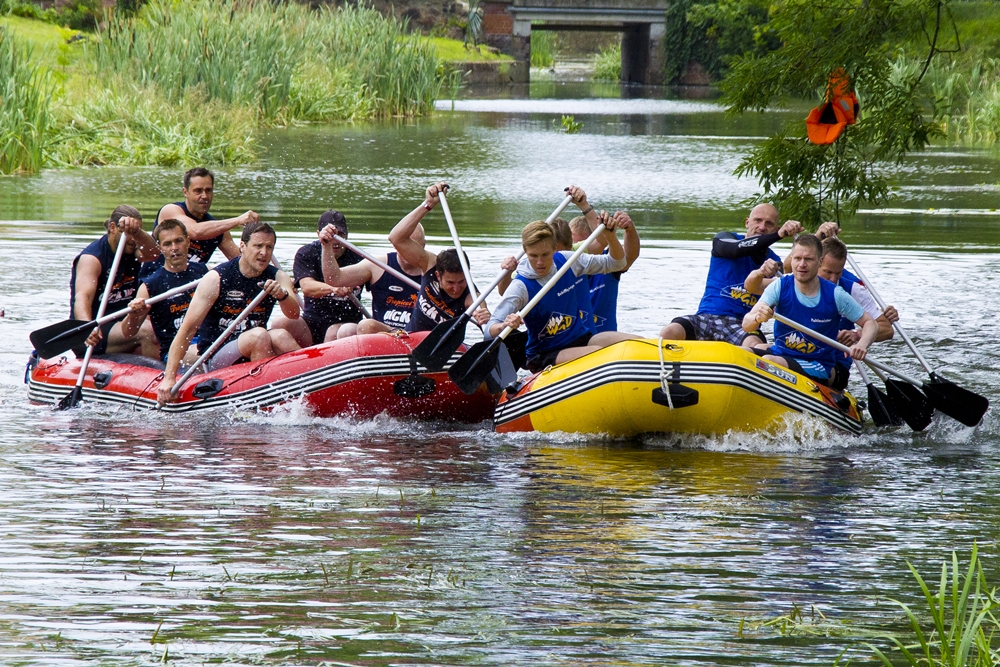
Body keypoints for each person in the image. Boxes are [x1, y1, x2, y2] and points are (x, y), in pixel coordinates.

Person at [157, 222, 300, 404]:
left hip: (255, 346)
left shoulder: (278, 277)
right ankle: (264, 401)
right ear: (242, 246)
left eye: (269, 247)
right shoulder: (216, 278)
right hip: (217, 356)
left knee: (281, 336)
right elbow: (187, 330)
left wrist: (283, 295)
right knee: (259, 336)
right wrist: (169, 378)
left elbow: (294, 313)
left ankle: (312, 383)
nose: (264, 252)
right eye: (258, 246)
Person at [486, 211, 640, 373]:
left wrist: (610, 237)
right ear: (525, 251)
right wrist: (504, 325)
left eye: (545, 255)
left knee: (639, 344)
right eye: (533, 256)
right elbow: (490, 328)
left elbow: (617, 263)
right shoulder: (520, 286)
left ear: (554, 249)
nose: (540, 262)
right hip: (545, 354)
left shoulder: (568, 261)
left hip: (582, 339)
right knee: (603, 356)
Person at [349, 182, 488, 333]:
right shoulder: (430, 264)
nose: (456, 289)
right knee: (367, 326)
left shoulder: (471, 295)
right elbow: (396, 238)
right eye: (450, 282)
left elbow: (488, 325)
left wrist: (486, 318)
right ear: (438, 275)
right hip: (410, 338)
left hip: (442, 348)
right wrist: (428, 204)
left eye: (461, 282)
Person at [660, 203, 803, 348]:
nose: (762, 227)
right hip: (706, 318)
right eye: (758, 220)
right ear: (747, 222)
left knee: (755, 345)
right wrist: (777, 236)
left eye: (769, 223)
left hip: (742, 326)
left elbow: (792, 283)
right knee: (670, 331)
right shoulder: (724, 240)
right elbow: (736, 249)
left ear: (775, 229)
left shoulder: (773, 263)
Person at [741, 234, 877, 386]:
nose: (802, 264)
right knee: (742, 354)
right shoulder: (779, 286)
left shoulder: (836, 294)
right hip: (783, 353)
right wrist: (757, 318)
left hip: (817, 363)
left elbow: (870, 323)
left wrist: (861, 344)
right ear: (791, 260)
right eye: (797, 258)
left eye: (808, 259)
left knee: (768, 362)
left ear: (819, 262)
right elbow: (746, 324)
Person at [69, 205, 159, 357]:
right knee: (147, 332)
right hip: (94, 331)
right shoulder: (92, 258)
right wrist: (88, 327)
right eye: (128, 233)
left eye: (135, 233)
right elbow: (83, 297)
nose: (132, 239)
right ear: (112, 228)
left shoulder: (133, 249)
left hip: (123, 324)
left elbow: (154, 254)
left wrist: (138, 232)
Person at [140, 167, 259, 278]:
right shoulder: (170, 211)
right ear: (185, 192)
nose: (204, 196)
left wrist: (258, 251)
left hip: (189, 288)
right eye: (198, 191)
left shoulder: (219, 230)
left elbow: (243, 262)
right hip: (154, 282)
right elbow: (195, 231)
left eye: (208, 190)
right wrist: (238, 220)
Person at [119, 219, 209, 363]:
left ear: (188, 242)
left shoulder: (206, 272)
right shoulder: (150, 286)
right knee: (205, 351)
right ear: (160, 248)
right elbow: (127, 332)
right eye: (167, 244)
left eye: (178, 241)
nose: (174, 248)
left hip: (209, 341)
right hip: (177, 352)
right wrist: (134, 315)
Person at [271, 210, 365, 347]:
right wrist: (334, 288)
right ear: (318, 234)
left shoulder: (359, 258)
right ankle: (301, 364)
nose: (335, 241)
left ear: (347, 235)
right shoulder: (307, 253)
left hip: (346, 326)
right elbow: (307, 287)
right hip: (312, 323)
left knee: (333, 332)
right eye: (331, 236)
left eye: (340, 235)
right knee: (280, 324)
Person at [312, 226, 425, 338]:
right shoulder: (378, 265)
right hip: (385, 332)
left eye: (413, 246)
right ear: (395, 244)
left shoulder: (435, 269)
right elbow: (334, 279)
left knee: (367, 325)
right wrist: (326, 246)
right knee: (347, 330)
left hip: (420, 336)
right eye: (403, 245)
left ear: (423, 245)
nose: (407, 252)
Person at [568, 210, 641, 333]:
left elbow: (630, 256)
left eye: (584, 245)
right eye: (575, 246)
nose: (579, 252)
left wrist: (629, 229)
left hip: (605, 340)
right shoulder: (562, 264)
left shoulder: (608, 261)